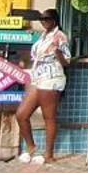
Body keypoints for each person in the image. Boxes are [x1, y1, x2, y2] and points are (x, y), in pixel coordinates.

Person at [13, 8, 68, 164]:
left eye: (47, 19)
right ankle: (31, 147)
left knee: (48, 117)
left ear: (54, 20)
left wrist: (57, 53)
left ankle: (49, 154)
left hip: (51, 77)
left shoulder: (60, 37)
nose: (44, 22)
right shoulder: (42, 37)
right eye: (42, 20)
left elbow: (67, 61)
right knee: (22, 114)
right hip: (38, 77)